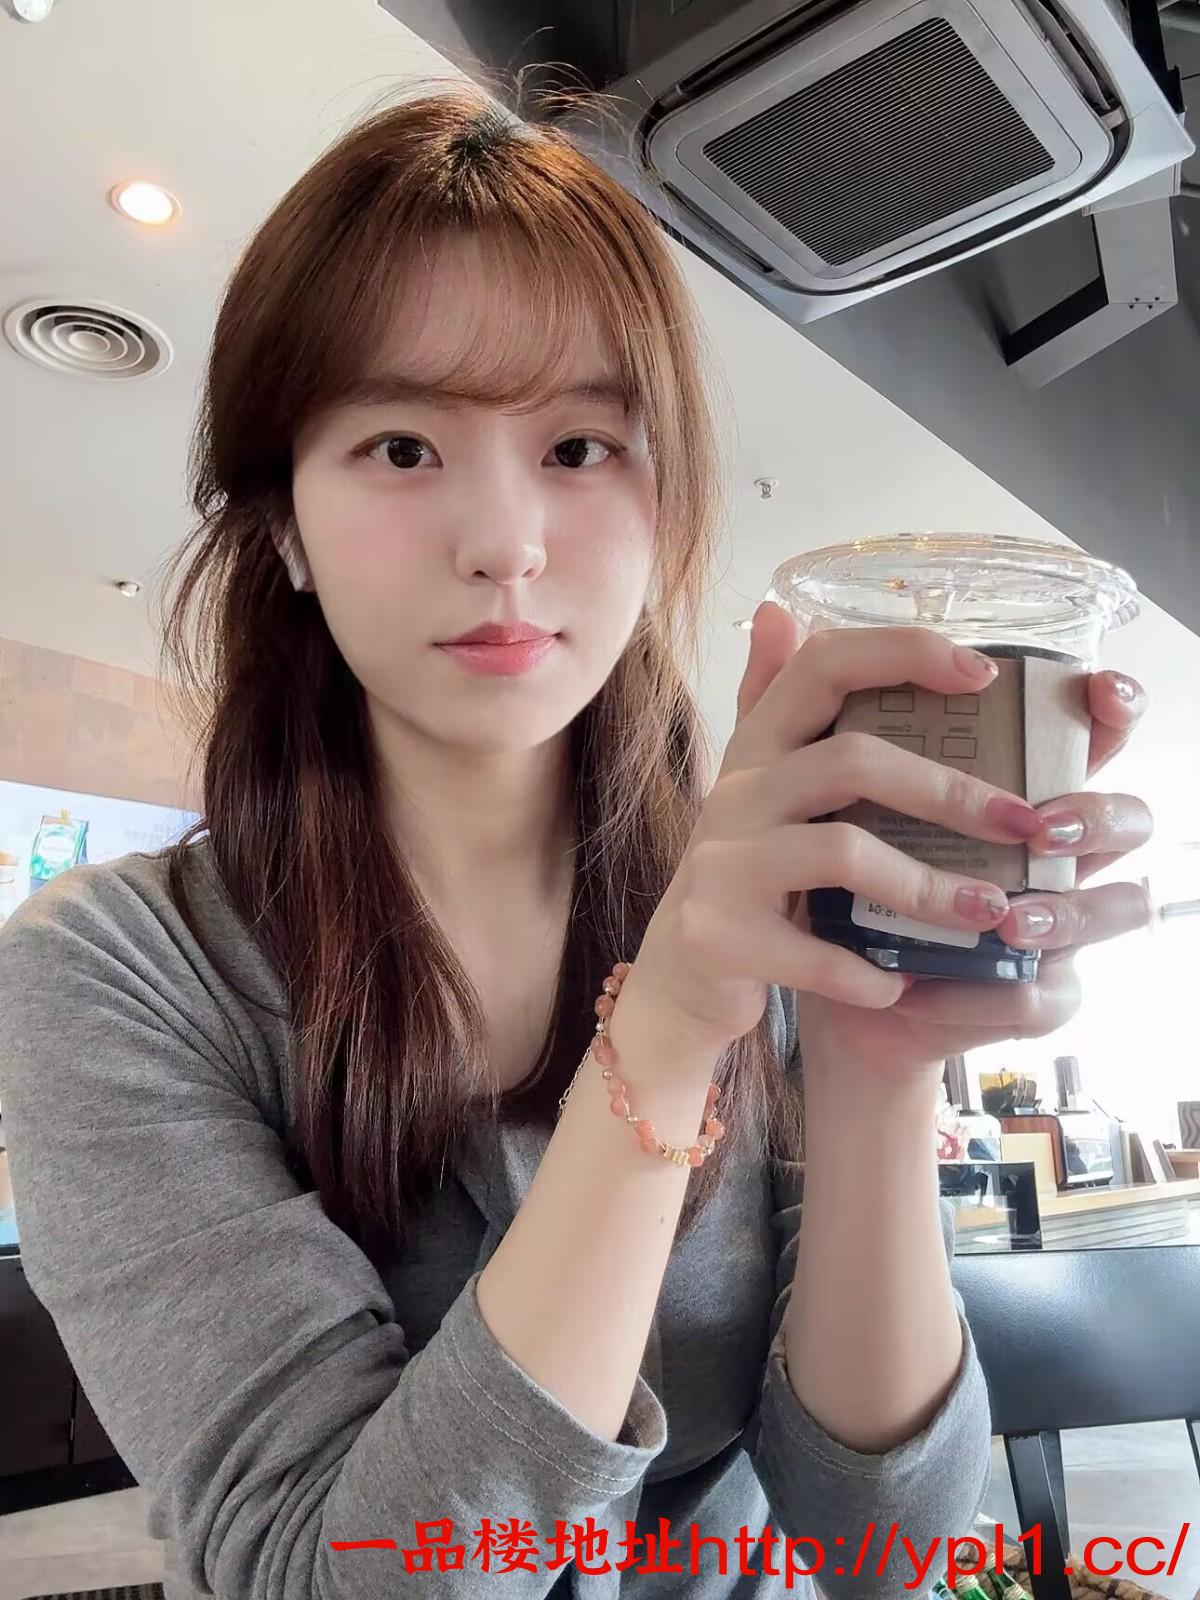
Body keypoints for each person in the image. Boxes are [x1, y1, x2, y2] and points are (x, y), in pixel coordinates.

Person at [0, 82, 1153, 1600]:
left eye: (582, 447)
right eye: (401, 447)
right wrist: (661, 1040)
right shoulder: (112, 973)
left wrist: (874, 1070)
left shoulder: (770, 894)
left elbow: (892, 1552)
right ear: (283, 525)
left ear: (662, 501)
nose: (507, 543)